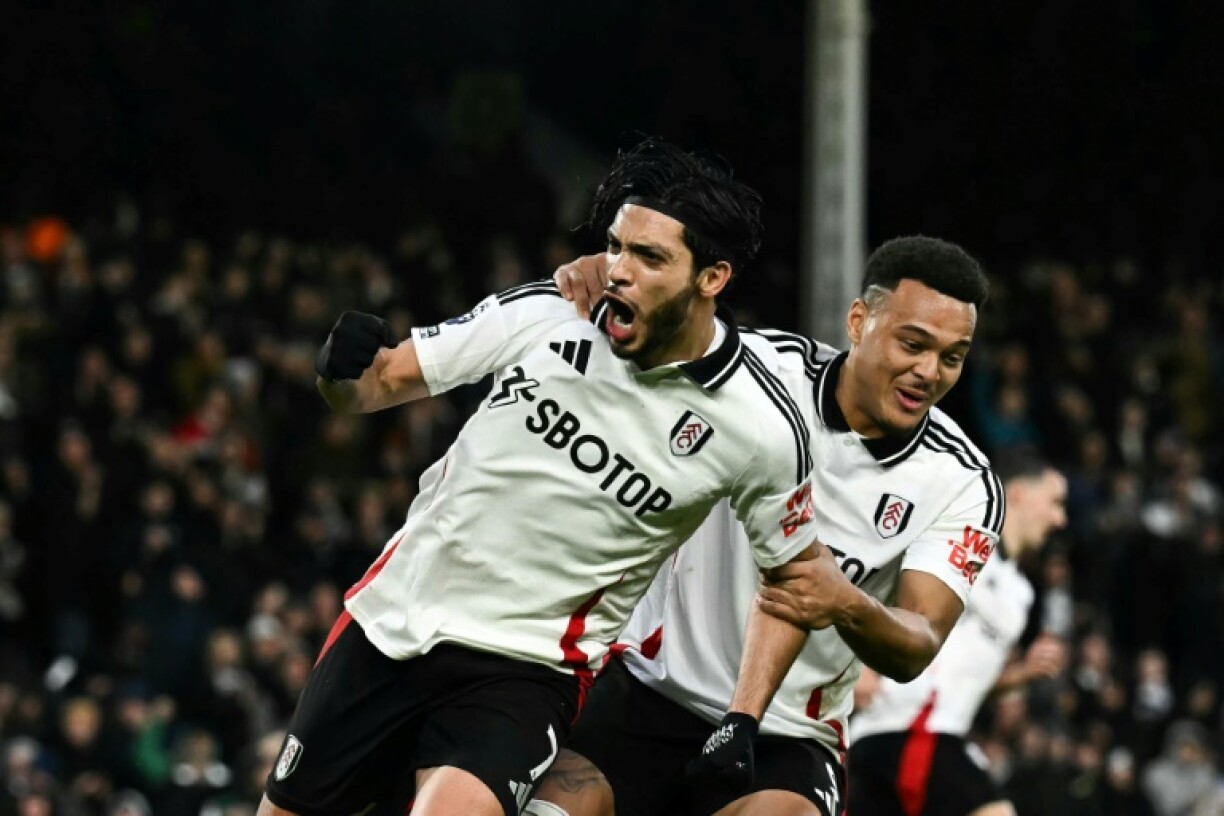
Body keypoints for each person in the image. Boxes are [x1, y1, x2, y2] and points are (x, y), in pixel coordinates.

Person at [257, 137, 823, 816]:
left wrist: (745, 714)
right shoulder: (549, 315)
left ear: (713, 278)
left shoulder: (758, 427)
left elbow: (794, 575)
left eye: (650, 258)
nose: (619, 271)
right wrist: (338, 371)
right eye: (616, 246)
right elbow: (378, 383)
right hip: (390, 622)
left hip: (524, 668)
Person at [532, 235, 1001, 816]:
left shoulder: (962, 483)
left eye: (952, 357)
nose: (928, 372)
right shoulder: (754, 368)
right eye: (913, 344)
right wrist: (606, 280)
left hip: (788, 738)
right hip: (651, 687)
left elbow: (918, 644)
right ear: (858, 321)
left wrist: (846, 604)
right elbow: (646, 327)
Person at [848, 451, 1068, 816]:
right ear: (1018, 494)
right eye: (1055, 503)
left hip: (934, 735)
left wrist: (1021, 675)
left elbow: (966, 681)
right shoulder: (955, 544)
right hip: (903, 730)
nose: (1061, 519)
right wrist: (857, 667)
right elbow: (871, 586)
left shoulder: (1021, 595)